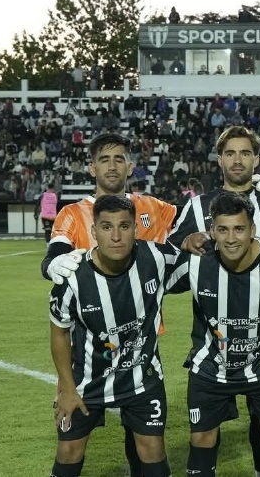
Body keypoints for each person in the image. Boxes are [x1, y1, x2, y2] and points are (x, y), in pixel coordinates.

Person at [41, 132, 178, 477]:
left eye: (119, 159)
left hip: (140, 344)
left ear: (130, 166)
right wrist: (53, 264)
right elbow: (54, 256)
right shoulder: (73, 213)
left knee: (143, 444)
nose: (112, 166)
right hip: (88, 349)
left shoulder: (153, 208)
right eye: (104, 159)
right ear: (91, 168)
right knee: (70, 447)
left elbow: (193, 227)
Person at [168, 125, 260, 477]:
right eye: (230, 153)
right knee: (207, 434)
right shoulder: (197, 206)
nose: (238, 160)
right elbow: (172, 252)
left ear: (257, 159)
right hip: (213, 340)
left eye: (245, 153)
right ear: (219, 159)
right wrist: (185, 241)